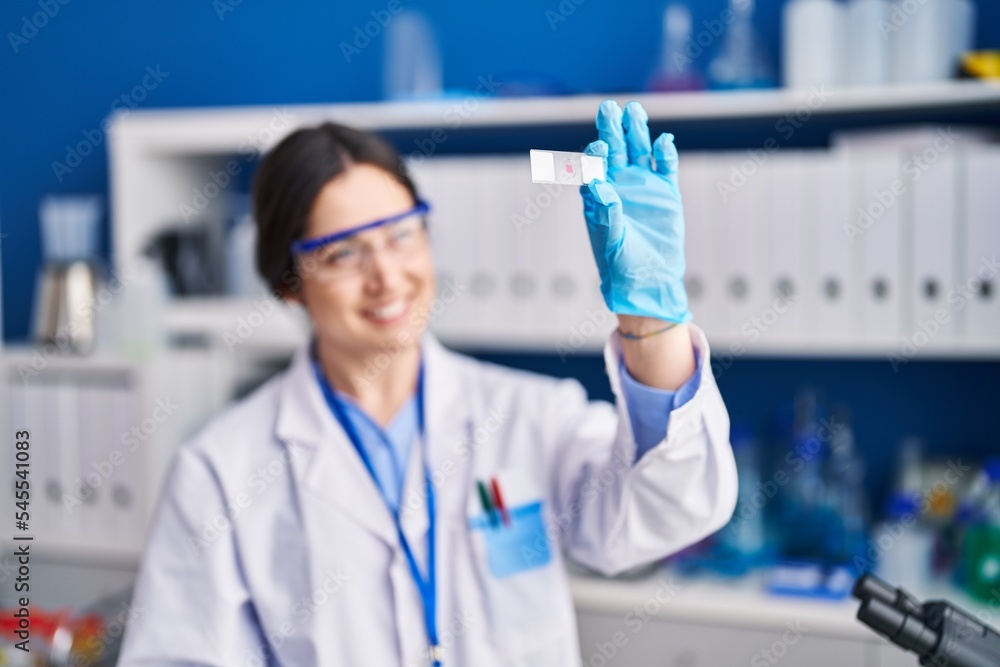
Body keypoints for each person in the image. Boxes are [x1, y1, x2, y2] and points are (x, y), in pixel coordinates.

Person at [118, 100, 737, 666]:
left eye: (402, 233)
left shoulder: (530, 416)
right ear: (288, 282)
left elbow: (668, 512)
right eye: (343, 254)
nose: (387, 276)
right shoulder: (221, 473)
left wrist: (653, 317)